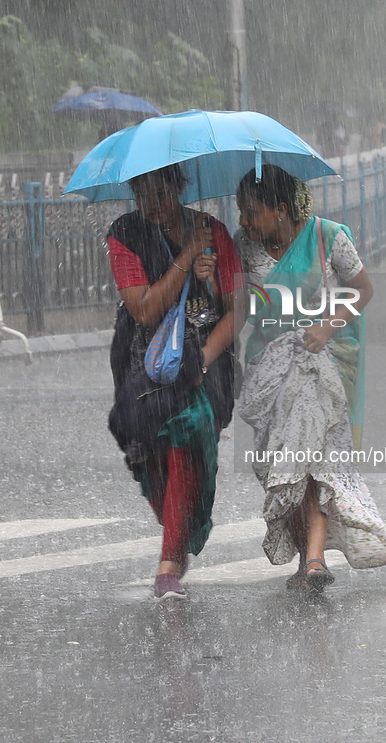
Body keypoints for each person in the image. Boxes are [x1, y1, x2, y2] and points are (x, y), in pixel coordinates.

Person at [235, 164, 386, 593]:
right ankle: (306, 557)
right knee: (285, 466)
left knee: (315, 460)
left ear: (281, 209)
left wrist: (328, 325)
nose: (244, 221)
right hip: (270, 366)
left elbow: (363, 289)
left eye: (251, 212)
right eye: (240, 212)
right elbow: (238, 306)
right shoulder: (243, 248)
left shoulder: (328, 236)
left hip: (322, 363)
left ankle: (314, 559)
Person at [107, 163, 244, 600]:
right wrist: (186, 258)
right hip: (141, 362)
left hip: (205, 358)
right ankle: (177, 534)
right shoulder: (125, 234)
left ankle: (167, 566)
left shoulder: (212, 231)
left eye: (161, 194)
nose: (152, 205)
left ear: (179, 189)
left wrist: (203, 358)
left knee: (188, 434)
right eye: (142, 195)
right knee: (151, 462)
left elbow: (238, 308)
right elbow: (145, 310)